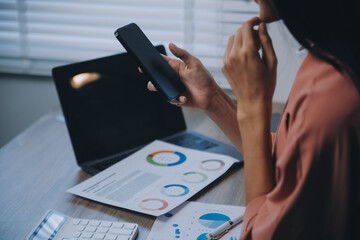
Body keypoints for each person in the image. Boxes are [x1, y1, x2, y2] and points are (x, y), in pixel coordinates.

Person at [147, 0, 360, 239]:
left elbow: (260, 233)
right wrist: (213, 100)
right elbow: (287, 160)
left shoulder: (332, 94)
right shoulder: (327, 58)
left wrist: (253, 106)